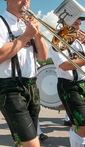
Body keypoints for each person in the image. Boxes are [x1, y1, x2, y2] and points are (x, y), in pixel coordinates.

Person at [0, 0, 48, 146]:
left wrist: (38, 34)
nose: (25, 2)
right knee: (32, 144)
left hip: (31, 87)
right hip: (10, 88)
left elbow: (42, 57)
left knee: (23, 141)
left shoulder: (28, 24)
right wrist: (27, 35)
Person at [50, 17, 85, 147]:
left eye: (80, 24)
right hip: (69, 87)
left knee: (79, 125)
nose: (79, 28)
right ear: (65, 24)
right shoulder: (58, 41)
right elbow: (64, 65)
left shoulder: (80, 43)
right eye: (75, 23)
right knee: (82, 126)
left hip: (82, 84)